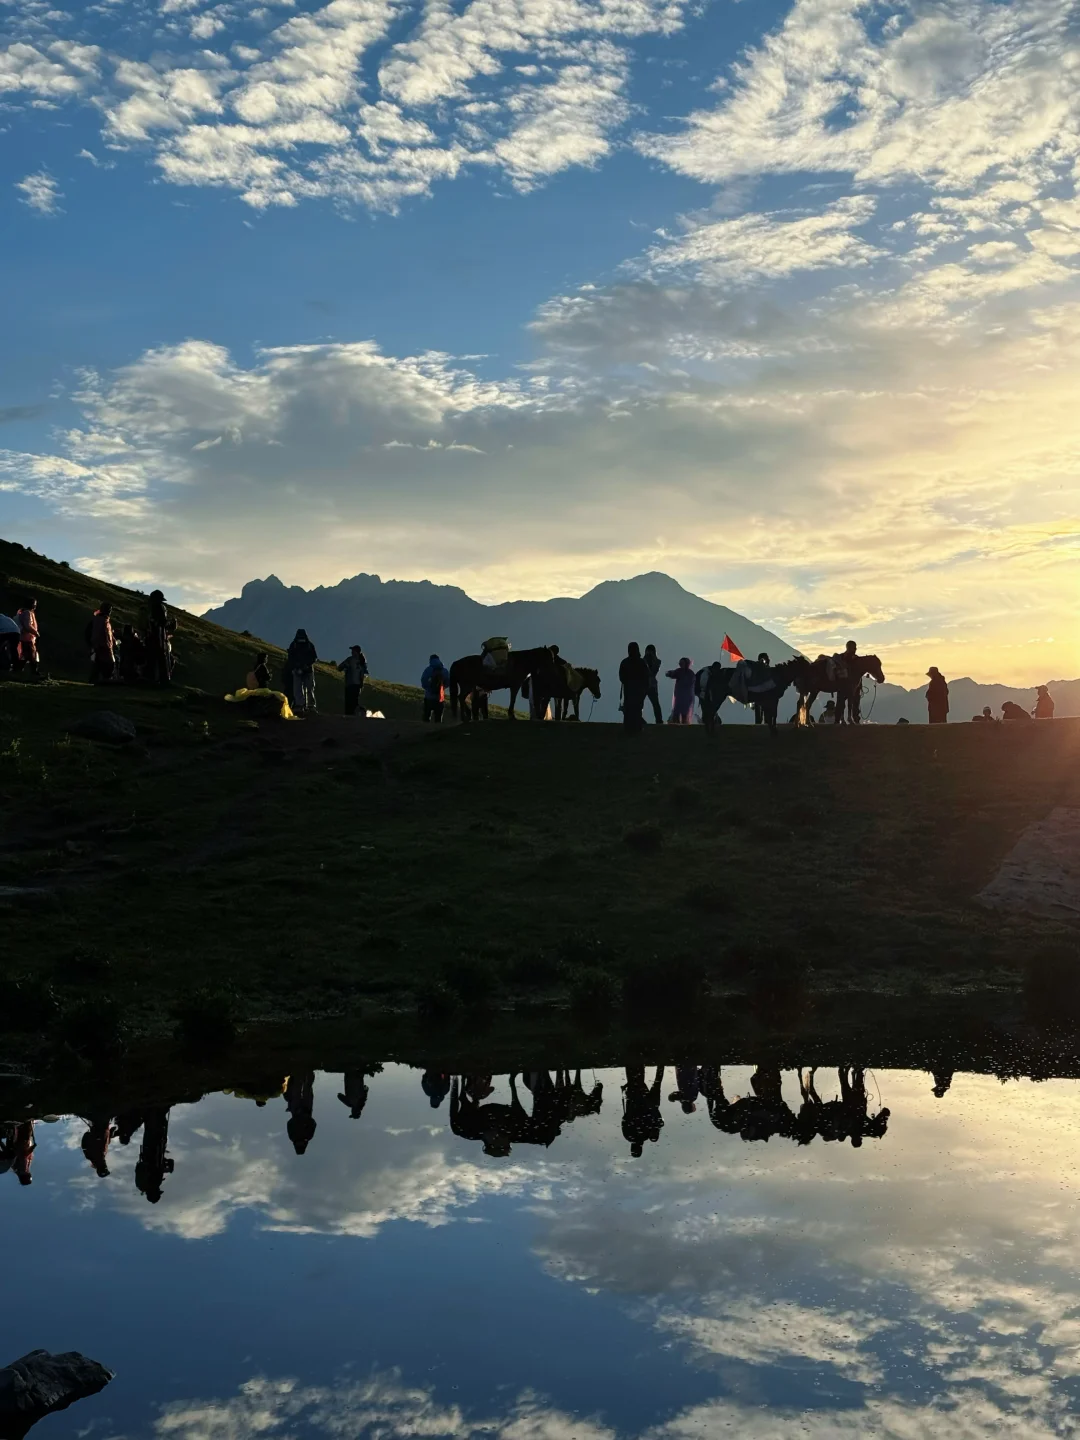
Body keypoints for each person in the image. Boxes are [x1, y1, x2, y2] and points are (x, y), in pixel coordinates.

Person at [146, 590, 176, 686]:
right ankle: (163, 680)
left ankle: (151, 679)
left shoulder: (150, 608)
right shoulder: (159, 608)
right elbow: (162, 622)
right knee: (162, 660)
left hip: (152, 638)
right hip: (159, 638)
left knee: (152, 660)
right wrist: (170, 623)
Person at [619, 642, 650, 733]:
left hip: (629, 689)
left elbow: (622, 677)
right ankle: (637, 728)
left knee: (628, 709)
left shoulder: (625, 662)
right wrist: (645, 688)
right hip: (639, 690)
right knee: (637, 709)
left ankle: (628, 728)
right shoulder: (642, 662)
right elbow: (646, 677)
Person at [287, 629, 318, 714]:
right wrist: (297, 666)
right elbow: (314, 657)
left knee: (307, 688)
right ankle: (302, 705)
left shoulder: (295, 645)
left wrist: (306, 665)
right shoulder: (303, 645)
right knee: (301, 688)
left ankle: (307, 706)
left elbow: (314, 658)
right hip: (300, 669)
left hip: (306, 670)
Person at [88, 602, 116, 683]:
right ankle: (104, 680)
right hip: (103, 647)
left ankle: (96, 680)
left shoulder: (99, 620)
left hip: (99, 646)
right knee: (108, 664)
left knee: (98, 665)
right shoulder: (102, 621)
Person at [338, 645, 369, 715]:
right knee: (354, 701)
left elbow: (340, 667)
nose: (352, 652)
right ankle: (357, 713)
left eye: (353, 650)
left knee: (349, 701)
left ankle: (350, 715)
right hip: (358, 684)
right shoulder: (363, 661)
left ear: (356, 652)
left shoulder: (350, 660)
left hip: (350, 683)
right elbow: (365, 673)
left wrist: (346, 667)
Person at [666, 657, 696, 724]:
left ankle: (682, 725)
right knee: (677, 712)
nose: (680, 664)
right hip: (680, 696)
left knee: (683, 713)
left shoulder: (689, 673)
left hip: (686, 696)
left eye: (682, 663)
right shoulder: (681, 671)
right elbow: (671, 674)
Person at [421, 653, 449, 723]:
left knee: (426, 718)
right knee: (438, 719)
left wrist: (429, 688)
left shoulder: (428, 669)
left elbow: (423, 681)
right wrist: (442, 688)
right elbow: (448, 682)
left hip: (429, 697)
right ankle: (437, 732)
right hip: (440, 698)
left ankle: (425, 732)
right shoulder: (444, 671)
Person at [15, 597, 39, 677]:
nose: (35, 606)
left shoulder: (23, 612)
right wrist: (35, 633)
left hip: (27, 637)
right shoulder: (27, 613)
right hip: (27, 638)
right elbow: (27, 625)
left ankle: (18, 670)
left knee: (25, 655)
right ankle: (34, 672)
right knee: (31, 655)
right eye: (34, 604)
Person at [643, 644, 663, 725]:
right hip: (643, 684)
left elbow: (654, 671)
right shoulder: (642, 660)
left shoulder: (657, 661)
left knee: (655, 704)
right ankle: (639, 719)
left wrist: (652, 658)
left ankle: (659, 721)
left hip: (652, 685)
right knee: (639, 704)